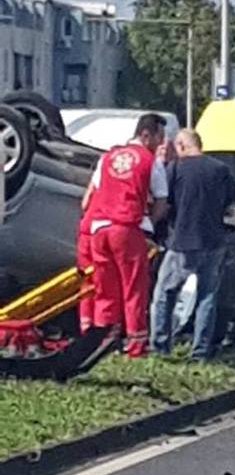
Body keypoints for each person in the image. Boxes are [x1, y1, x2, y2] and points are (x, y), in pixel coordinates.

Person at [81, 113, 168, 357]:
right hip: (127, 228)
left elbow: (91, 196)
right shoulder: (150, 161)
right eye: (159, 138)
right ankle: (136, 342)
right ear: (146, 134)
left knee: (105, 288)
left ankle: (103, 339)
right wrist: (150, 223)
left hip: (99, 229)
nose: (160, 144)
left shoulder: (107, 157)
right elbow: (161, 201)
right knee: (133, 287)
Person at [150, 129, 235, 361]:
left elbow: (165, 200)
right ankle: (200, 351)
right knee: (207, 296)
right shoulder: (220, 170)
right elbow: (232, 202)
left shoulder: (176, 169)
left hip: (182, 240)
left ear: (181, 145)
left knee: (165, 293)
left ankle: (160, 346)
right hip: (214, 241)